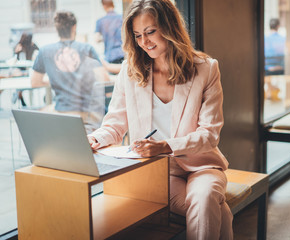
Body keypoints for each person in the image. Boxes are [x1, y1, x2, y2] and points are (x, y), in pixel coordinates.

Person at [88, 0, 233, 239]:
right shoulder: (130, 71)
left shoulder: (206, 69)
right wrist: (94, 138)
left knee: (205, 196)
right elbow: (114, 124)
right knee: (216, 210)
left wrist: (164, 146)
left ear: (170, 28)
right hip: (158, 171)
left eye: (150, 32)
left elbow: (209, 134)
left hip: (202, 165)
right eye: (137, 35)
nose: (144, 42)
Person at [31, 11, 110, 133]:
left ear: (56, 29)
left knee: (41, 112)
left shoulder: (45, 51)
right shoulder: (87, 48)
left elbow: (35, 82)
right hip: (87, 114)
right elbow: (104, 80)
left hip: (62, 113)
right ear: (74, 27)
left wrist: (57, 78)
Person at [95, 0, 124, 66]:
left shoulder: (100, 21)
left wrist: (106, 37)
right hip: (122, 53)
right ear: (113, 4)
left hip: (110, 56)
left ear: (104, 6)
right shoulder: (121, 17)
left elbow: (97, 39)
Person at [13, 32, 39, 106]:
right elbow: (15, 59)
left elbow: (39, 52)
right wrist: (16, 52)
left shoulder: (33, 45)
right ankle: (19, 96)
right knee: (19, 81)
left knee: (23, 84)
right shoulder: (20, 46)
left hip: (28, 69)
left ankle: (18, 94)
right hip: (20, 70)